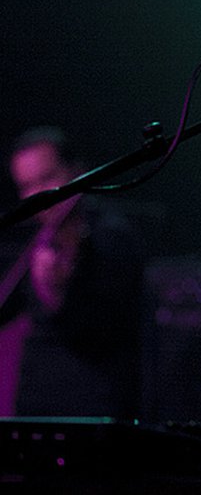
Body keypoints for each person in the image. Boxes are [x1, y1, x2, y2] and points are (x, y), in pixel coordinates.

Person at [0, 127, 145, 418]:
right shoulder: (35, 240)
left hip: (92, 407)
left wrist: (54, 292)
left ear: (77, 171)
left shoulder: (110, 235)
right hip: (34, 405)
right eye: (27, 186)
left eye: (47, 178)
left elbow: (103, 333)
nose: (38, 195)